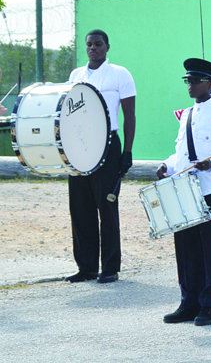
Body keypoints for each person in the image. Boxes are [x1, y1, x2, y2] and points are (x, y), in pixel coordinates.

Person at [158, 58, 211, 326]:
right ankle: (189, 301)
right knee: (185, 245)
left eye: (195, 81)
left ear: (210, 82)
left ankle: (210, 305)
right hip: (185, 187)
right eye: (188, 81)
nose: (190, 86)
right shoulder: (187, 114)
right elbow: (181, 152)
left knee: (210, 247)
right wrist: (167, 165)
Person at [65, 29, 136, 284]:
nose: (93, 48)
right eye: (89, 44)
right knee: (80, 208)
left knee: (106, 207)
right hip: (79, 147)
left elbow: (130, 115)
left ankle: (109, 267)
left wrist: (127, 151)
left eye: (98, 44)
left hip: (107, 146)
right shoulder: (76, 75)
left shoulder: (120, 74)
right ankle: (86, 267)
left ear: (107, 46)